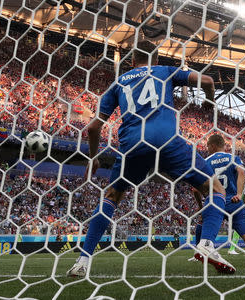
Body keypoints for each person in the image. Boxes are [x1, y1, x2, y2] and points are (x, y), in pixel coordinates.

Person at [67, 41, 234, 277]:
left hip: (133, 145)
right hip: (167, 141)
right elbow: (208, 81)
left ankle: (83, 262)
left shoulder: (119, 82)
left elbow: (93, 128)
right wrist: (209, 101)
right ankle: (207, 244)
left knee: (112, 197)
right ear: (156, 60)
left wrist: (93, 158)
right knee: (215, 188)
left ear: (133, 62)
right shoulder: (164, 71)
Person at [192, 134, 245, 262]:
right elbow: (241, 173)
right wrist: (239, 194)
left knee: (203, 225)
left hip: (214, 201)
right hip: (233, 200)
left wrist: (202, 207)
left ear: (212, 145)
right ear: (223, 145)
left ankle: (202, 249)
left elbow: (195, 189)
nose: (207, 149)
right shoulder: (233, 158)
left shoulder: (205, 162)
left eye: (208, 146)